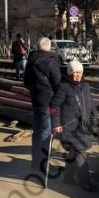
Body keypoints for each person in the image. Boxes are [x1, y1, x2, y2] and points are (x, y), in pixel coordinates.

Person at [51, 59, 99, 192]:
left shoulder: (85, 86)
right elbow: (54, 106)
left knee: (74, 151)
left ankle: (68, 177)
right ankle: (86, 182)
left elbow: (90, 105)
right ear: (69, 72)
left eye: (79, 72)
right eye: (74, 72)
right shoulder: (63, 87)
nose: (77, 75)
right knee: (81, 152)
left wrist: (93, 122)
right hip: (69, 127)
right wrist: (56, 124)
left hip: (83, 126)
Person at [24, 37, 61, 171]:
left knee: (37, 131)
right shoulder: (51, 61)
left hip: (36, 100)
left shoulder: (31, 61)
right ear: (49, 48)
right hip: (48, 102)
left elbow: (26, 82)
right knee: (46, 133)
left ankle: (35, 162)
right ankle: (44, 164)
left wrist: (36, 91)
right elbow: (58, 83)